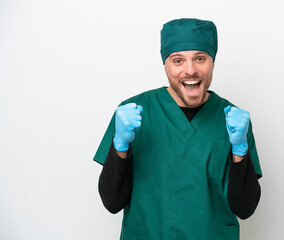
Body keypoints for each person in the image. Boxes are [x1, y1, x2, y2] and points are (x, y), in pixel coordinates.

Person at [94, 18, 262, 240]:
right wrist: (120, 147)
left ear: (212, 62)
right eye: (178, 60)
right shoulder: (131, 114)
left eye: (200, 59)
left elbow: (245, 209)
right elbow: (112, 202)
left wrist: (240, 150)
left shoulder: (234, 120)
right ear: (165, 65)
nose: (190, 70)